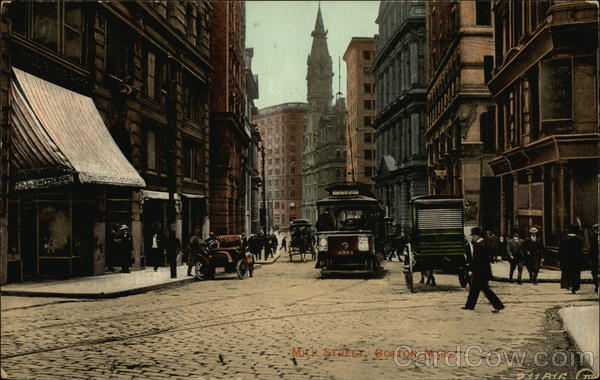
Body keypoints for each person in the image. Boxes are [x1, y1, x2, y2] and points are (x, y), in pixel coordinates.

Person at [463, 227, 504, 313]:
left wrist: (472, 271)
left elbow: (477, 260)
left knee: (485, 290)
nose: (472, 237)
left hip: (480, 272)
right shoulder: (484, 242)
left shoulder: (479, 244)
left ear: (476, 236)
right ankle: (469, 306)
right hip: (483, 271)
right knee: (474, 289)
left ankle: (498, 305)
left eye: (473, 236)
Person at [559, 225, 584, 294]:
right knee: (576, 274)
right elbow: (581, 251)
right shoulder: (580, 240)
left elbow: (560, 251)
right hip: (576, 260)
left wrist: (560, 260)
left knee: (567, 273)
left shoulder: (563, 240)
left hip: (566, 260)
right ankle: (575, 287)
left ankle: (567, 285)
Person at [589, 225, 599, 293]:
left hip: (594, 258)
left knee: (594, 273)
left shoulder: (593, 237)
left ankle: (596, 286)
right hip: (594, 257)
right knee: (594, 272)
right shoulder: (593, 237)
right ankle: (596, 286)